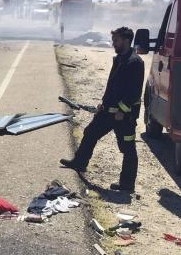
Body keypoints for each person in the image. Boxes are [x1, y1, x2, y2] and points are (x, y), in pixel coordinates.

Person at [60, 26, 144, 192]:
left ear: (127, 41)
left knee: (128, 148)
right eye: (113, 40)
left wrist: (122, 110)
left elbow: (134, 92)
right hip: (107, 112)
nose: (114, 43)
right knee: (90, 133)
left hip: (123, 116)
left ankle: (127, 185)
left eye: (117, 41)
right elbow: (112, 87)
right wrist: (103, 104)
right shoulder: (119, 58)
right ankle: (80, 162)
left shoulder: (134, 62)